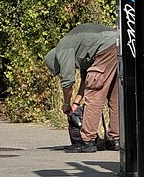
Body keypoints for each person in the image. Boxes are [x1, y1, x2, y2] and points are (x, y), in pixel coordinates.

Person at [44, 23, 120, 153]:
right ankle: (115, 140)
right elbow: (85, 81)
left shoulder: (62, 49)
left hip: (106, 47)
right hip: (119, 43)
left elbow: (68, 82)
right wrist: (75, 103)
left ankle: (87, 141)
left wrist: (66, 104)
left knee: (94, 96)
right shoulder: (78, 47)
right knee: (115, 96)